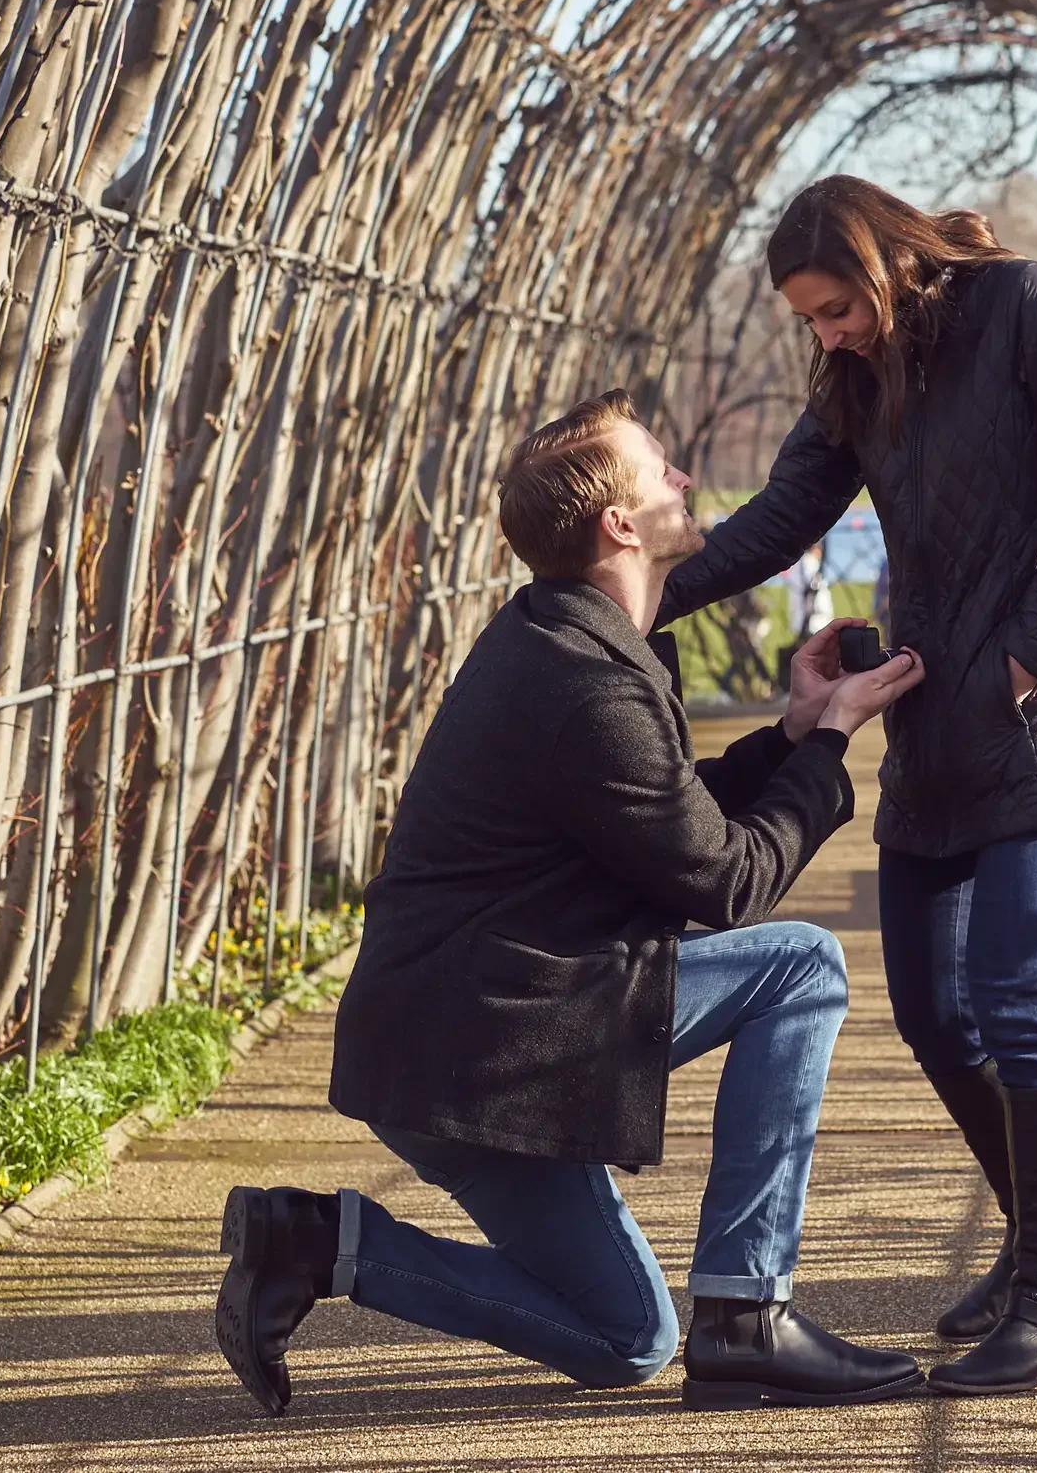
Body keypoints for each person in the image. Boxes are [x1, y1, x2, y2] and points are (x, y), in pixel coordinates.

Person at [212, 391, 930, 1415]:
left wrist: (790, 730)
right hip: (497, 1041)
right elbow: (726, 881)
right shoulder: (586, 683)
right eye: (661, 470)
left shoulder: (563, 641)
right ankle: (746, 1312)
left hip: (455, 1045)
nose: (683, 479)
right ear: (620, 524)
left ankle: (313, 1242)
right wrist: (827, 748)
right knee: (801, 967)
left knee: (626, 1338)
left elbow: (662, 827)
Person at [658, 175, 1037, 1395]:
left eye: (837, 307)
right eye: (809, 322)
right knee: (933, 1011)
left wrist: (1029, 657)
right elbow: (783, 512)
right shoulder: (856, 374)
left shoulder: (1026, 307)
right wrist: (634, 598)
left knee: (1012, 991)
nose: (827, 335)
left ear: (885, 262)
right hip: (933, 708)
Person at [778, 541, 834, 686]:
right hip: (813, 622)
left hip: (805, 621)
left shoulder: (800, 565)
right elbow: (815, 595)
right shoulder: (809, 565)